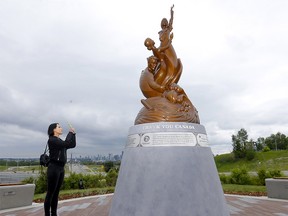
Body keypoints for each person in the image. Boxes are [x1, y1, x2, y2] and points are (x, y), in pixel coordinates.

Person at [44, 123, 76, 216]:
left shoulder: (58, 140)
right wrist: (70, 133)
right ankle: (47, 214)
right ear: (54, 130)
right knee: (50, 193)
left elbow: (72, 144)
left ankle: (54, 214)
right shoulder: (52, 140)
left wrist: (73, 134)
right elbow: (66, 143)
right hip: (54, 167)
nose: (61, 128)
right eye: (59, 127)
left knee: (56, 193)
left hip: (61, 168)